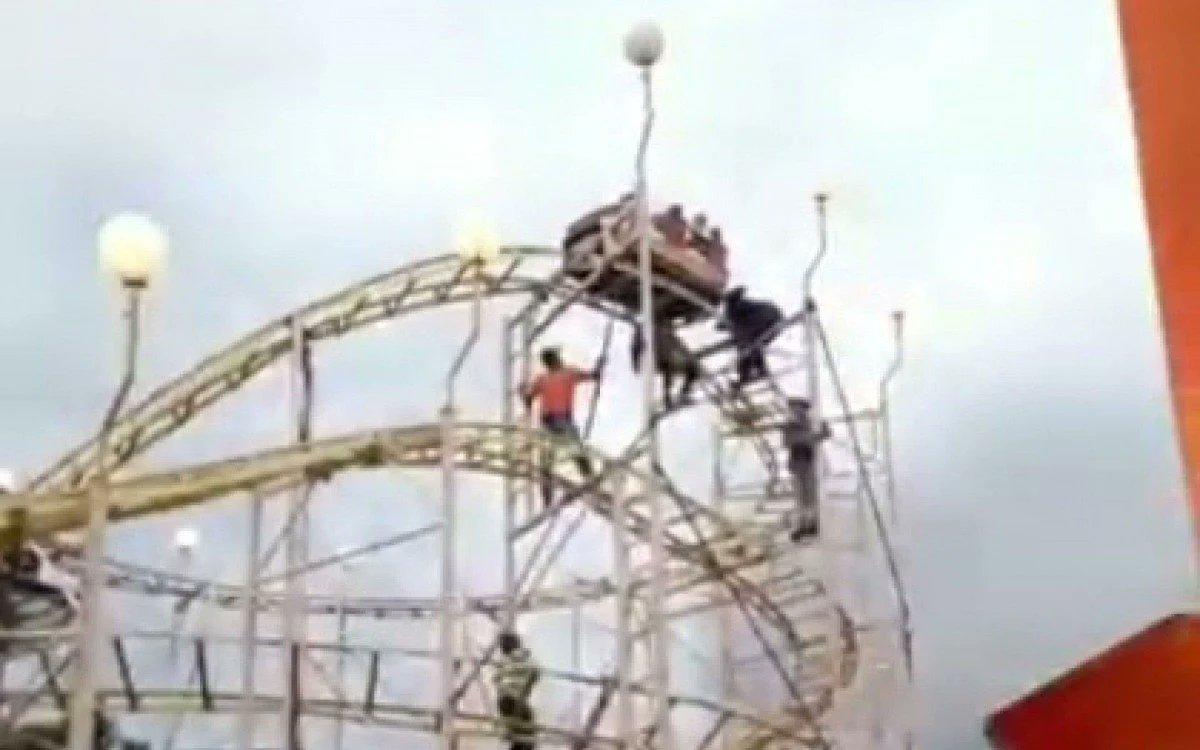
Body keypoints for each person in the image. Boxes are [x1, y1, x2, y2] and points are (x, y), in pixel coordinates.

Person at [520, 347, 601, 504]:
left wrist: (597, 370)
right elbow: (529, 399)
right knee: (555, 457)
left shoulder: (564, 374)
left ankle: (588, 480)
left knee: (571, 452)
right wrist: (524, 395)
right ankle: (549, 496)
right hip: (552, 421)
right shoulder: (548, 378)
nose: (558, 360)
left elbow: (591, 376)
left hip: (559, 419)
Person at [782, 398, 831, 542]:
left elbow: (823, 435)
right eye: (794, 409)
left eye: (799, 409)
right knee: (800, 497)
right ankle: (802, 525)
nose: (797, 412)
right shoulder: (790, 427)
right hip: (797, 464)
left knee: (810, 496)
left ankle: (811, 524)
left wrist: (824, 427)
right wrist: (811, 436)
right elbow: (788, 442)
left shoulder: (808, 425)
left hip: (808, 464)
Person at [720, 286, 783, 389]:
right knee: (754, 344)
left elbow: (735, 325)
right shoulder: (741, 306)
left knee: (745, 345)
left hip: (764, 318)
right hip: (775, 318)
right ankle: (758, 370)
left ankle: (747, 375)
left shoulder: (732, 309)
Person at [631, 320, 699, 409]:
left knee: (691, 369)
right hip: (656, 359)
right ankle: (668, 399)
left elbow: (676, 342)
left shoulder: (664, 328)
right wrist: (636, 364)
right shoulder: (644, 329)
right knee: (669, 369)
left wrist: (687, 356)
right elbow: (635, 347)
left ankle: (682, 394)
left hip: (665, 356)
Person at [493, 631, 540, 750]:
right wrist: (526, 691)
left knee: (519, 736)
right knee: (527, 736)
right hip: (516, 699)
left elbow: (496, 679)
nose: (501, 648)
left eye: (502, 645)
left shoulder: (506, 660)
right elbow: (536, 672)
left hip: (505, 700)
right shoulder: (525, 657)